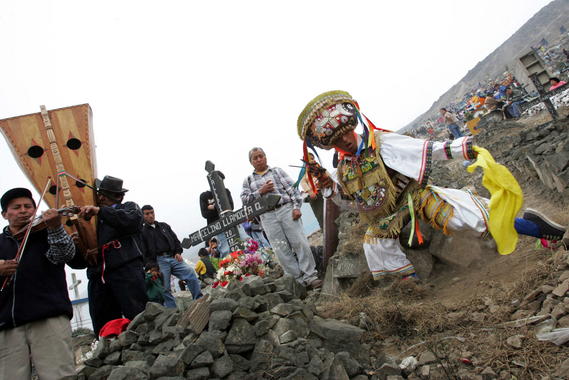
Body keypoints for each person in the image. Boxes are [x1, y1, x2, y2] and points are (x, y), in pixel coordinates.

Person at [296, 90, 566, 280]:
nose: (344, 141)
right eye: (336, 140)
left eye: (345, 134)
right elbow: (351, 203)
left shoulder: (382, 142)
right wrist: (328, 187)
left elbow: (427, 149)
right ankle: (410, 286)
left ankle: (536, 227)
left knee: (469, 219)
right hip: (386, 217)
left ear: (352, 127)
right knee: (374, 245)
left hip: (417, 198)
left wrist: (464, 148)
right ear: (330, 145)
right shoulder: (344, 168)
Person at [0, 188, 76, 379]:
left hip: (48, 317)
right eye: (16, 207)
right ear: (4, 214)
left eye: (28, 206)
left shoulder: (46, 233)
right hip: (6, 323)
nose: (24, 210)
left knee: (59, 375)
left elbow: (65, 255)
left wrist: (56, 227)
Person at [241, 147, 322, 288]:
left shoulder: (277, 171)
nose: (259, 159)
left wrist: (296, 207)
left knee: (300, 243)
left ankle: (311, 276)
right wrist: (261, 191)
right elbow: (245, 200)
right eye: (255, 158)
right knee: (281, 249)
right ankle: (297, 281)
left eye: (261, 156)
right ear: (251, 162)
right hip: (266, 216)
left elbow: (292, 190)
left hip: (286, 210)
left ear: (265, 157)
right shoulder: (248, 180)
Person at [78, 175, 147, 336]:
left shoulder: (128, 207)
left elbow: (133, 221)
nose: (100, 197)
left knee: (138, 316)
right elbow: (78, 261)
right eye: (100, 193)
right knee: (104, 324)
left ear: (119, 196)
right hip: (98, 275)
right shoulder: (90, 218)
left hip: (126, 270)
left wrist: (101, 211)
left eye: (105, 193)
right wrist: (80, 245)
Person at [140, 205, 202, 307]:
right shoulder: (142, 232)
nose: (151, 215)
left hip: (173, 257)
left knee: (190, 272)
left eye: (152, 212)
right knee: (165, 287)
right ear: (143, 216)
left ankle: (199, 299)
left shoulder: (164, 226)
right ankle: (172, 312)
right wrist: (152, 267)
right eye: (147, 214)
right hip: (158, 261)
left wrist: (178, 252)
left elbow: (175, 241)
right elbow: (144, 252)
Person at [199, 188, 234, 256]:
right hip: (215, 230)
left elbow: (231, 207)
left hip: (230, 225)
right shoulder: (204, 196)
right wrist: (221, 208)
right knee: (224, 253)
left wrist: (214, 207)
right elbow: (205, 214)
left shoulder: (225, 191)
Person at [299, 153, 326, 230]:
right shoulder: (303, 171)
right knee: (321, 215)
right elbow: (302, 182)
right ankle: (326, 231)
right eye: (311, 159)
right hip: (315, 195)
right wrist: (310, 191)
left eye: (313, 158)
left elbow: (327, 176)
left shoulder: (319, 167)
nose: (313, 160)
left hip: (325, 191)